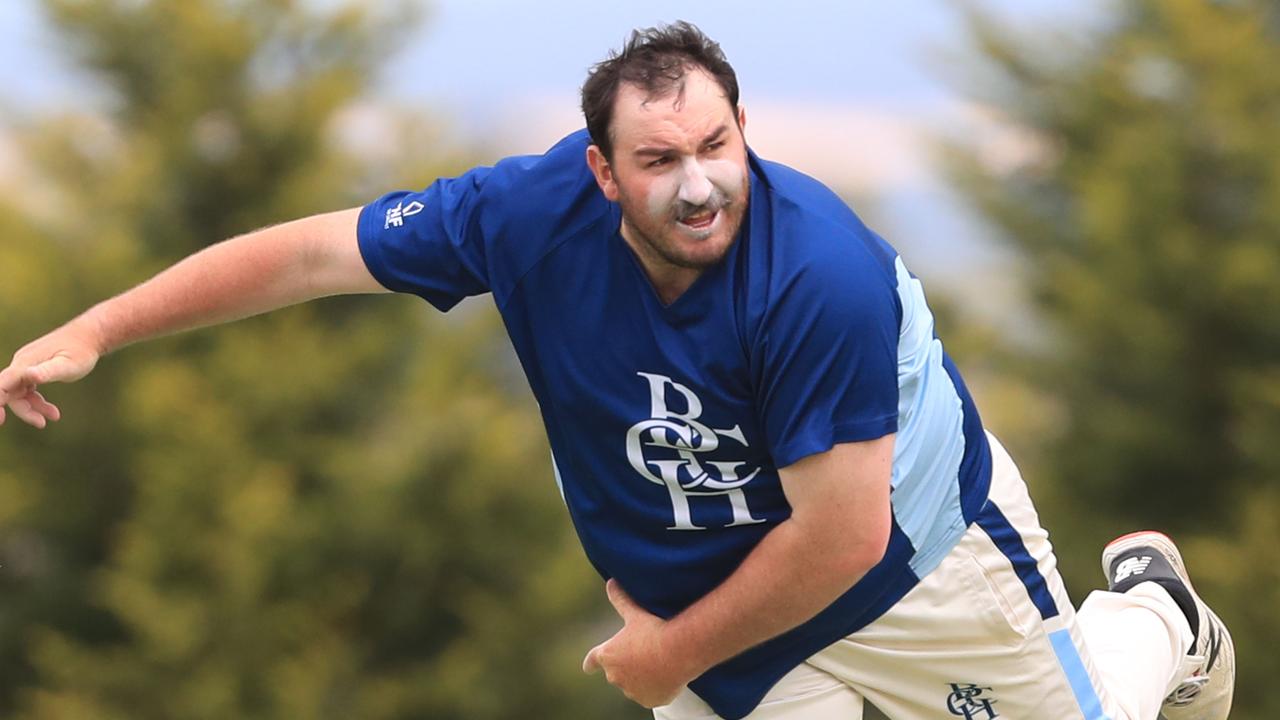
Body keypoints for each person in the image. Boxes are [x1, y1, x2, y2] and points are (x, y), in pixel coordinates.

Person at [0, 21, 1234, 720]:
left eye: (715, 143)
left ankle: (1153, 614)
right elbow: (313, 255)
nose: (696, 183)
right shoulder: (521, 214)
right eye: (657, 159)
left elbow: (841, 538)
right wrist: (103, 325)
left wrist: (667, 656)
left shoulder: (820, 276)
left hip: (904, 564)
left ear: (743, 130)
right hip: (709, 605)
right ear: (599, 173)